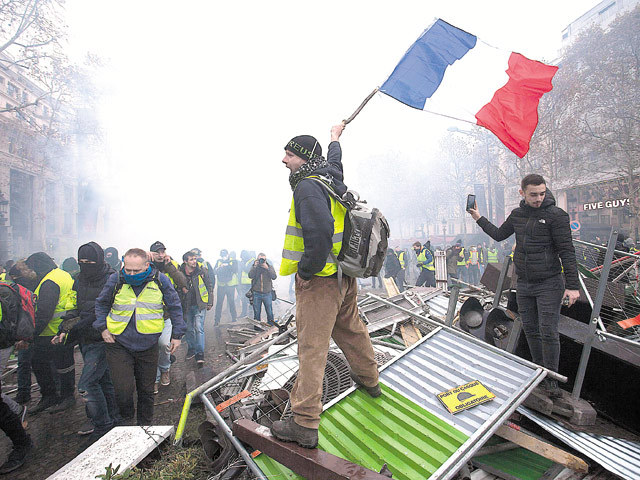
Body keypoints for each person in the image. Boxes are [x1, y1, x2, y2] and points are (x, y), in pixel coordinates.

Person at [271, 123, 380, 449]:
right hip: (344, 277)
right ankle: (370, 380)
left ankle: (304, 423)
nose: (284, 160)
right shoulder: (330, 175)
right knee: (351, 330)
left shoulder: (306, 186)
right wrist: (335, 138)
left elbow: (319, 232)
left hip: (320, 281)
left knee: (311, 348)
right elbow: (335, 159)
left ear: (303, 159)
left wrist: (305, 271)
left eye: (288, 154)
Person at [468, 174, 580, 397]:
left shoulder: (557, 216)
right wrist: (478, 217)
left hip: (549, 283)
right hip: (525, 284)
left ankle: (552, 379)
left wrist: (573, 286)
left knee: (548, 330)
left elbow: (567, 251)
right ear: (522, 193)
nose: (539, 198)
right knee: (530, 329)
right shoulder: (517, 215)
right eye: (533, 194)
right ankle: (539, 372)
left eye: (542, 193)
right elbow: (499, 235)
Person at [94, 248, 185, 425]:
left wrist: (177, 335)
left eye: (136, 271)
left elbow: (175, 306)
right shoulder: (116, 279)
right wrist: (103, 328)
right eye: (128, 270)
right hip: (118, 342)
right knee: (123, 389)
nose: (131, 274)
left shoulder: (160, 280)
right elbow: (101, 303)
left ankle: (145, 426)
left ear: (147, 265)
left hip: (148, 343)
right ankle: (126, 420)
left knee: (146, 390)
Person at [52, 242, 120, 439]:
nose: (86, 265)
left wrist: (75, 325)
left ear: (99, 260)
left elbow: (99, 311)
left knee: (86, 384)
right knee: (103, 380)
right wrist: (64, 327)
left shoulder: (111, 279)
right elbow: (72, 305)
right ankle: (113, 417)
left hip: (103, 337)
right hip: (84, 338)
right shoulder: (78, 278)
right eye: (81, 262)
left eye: (89, 261)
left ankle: (102, 425)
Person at [21, 253, 77, 415]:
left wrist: (29, 335)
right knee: (64, 366)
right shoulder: (62, 274)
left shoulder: (49, 282)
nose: (31, 272)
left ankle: (53, 397)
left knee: (41, 364)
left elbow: (44, 313)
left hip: (49, 332)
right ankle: (63, 397)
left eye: (32, 268)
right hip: (63, 329)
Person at [149, 241, 188, 392]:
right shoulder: (145, 265)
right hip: (149, 315)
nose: (160, 255)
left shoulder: (172, 265)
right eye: (157, 252)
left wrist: (169, 266)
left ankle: (165, 369)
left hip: (167, 314)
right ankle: (155, 378)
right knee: (151, 349)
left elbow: (182, 282)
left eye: (162, 251)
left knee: (164, 344)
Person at [180, 251, 213, 366]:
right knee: (189, 329)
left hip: (200, 304)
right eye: (191, 259)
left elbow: (209, 286)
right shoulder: (180, 273)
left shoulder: (201, 270)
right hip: (187, 306)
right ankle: (192, 349)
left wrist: (210, 302)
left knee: (199, 328)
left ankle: (200, 353)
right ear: (185, 261)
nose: (194, 261)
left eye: (195, 259)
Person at [248, 253, 277, 326]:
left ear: (265, 260)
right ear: (257, 259)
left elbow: (274, 277)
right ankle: (257, 327)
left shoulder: (269, 267)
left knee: (269, 312)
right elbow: (250, 276)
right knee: (257, 312)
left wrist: (267, 268)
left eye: (263, 259)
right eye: (260, 259)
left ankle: (271, 326)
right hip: (256, 293)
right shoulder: (255, 267)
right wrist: (254, 266)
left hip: (267, 293)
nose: (261, 261)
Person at [213, 249, 238, 325]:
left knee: (231, 302)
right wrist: (219, 268)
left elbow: (235, 269)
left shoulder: (233, 261)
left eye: (225, 255)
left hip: (230, 286)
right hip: (221, 286)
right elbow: (214, 271)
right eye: (222, 255)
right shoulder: (219, 261)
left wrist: (227, 265)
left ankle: (234, 318)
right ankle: (217, 320)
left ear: (228, 254)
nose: (223, 257)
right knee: (219, 303)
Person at [238, 250, 255, 318]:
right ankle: (244, 313)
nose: (242, 259)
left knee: (251, 298)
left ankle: (252, 312)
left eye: (242, 257)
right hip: (244, 283)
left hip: (250, 283)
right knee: (243, 298)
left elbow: (247, 270)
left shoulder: (252, 261)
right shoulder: (244, 261)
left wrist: (242, 265)